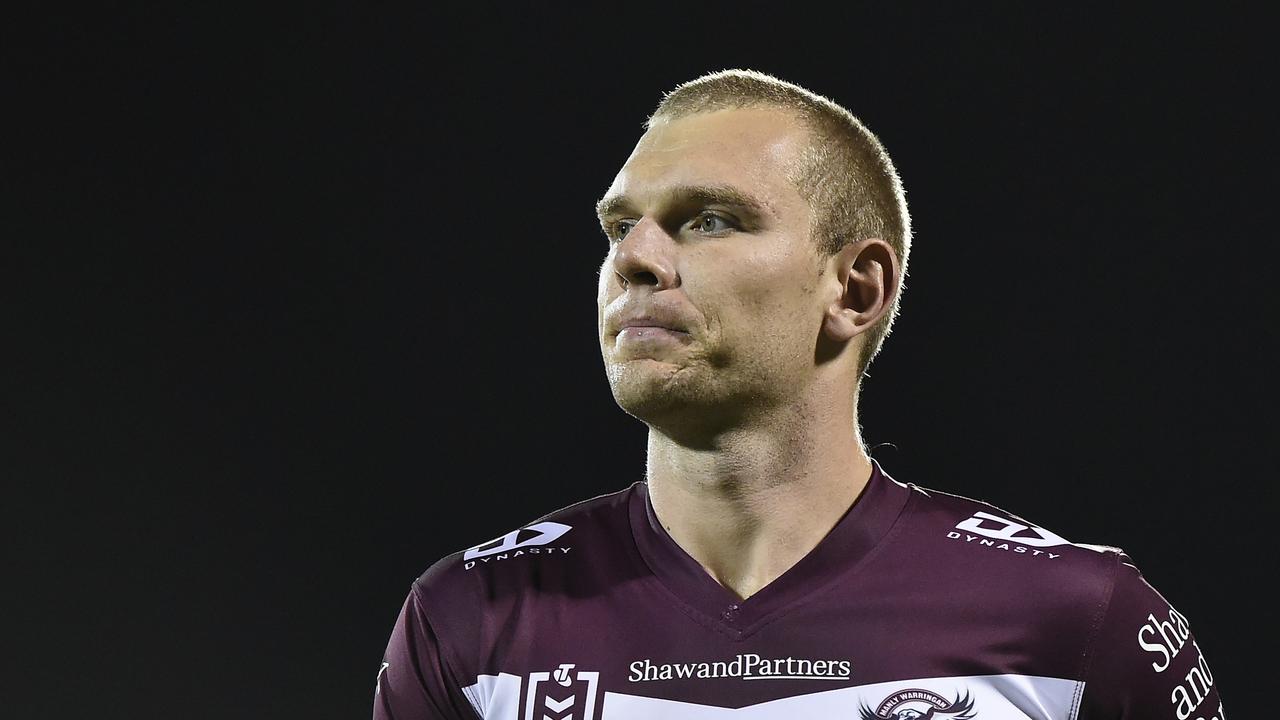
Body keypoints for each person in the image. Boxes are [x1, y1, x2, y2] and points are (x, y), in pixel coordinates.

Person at [373, 69, 1223, 720]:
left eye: (708, 218)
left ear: (854, 289)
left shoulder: (1079, 621)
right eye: (619, 225)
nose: (634, 257)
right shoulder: (470, 619)